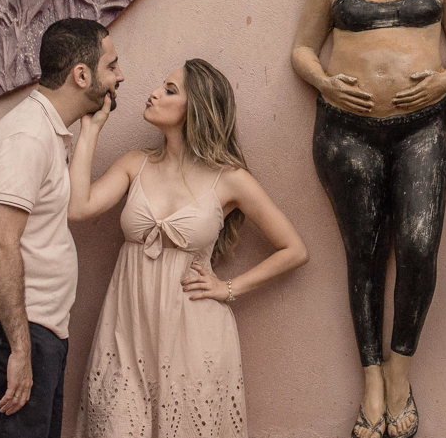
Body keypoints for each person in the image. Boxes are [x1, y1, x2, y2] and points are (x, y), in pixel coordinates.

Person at [291, 0, 446, 438]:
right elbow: (302, 47)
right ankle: (372, 379)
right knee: (365, 252)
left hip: (421, 128)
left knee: (419, 245)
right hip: (347, 131)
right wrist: (324, 83)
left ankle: (402, 369)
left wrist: (444, 79)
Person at [69, 59, 308, 437]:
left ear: (195, 108)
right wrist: (90, 131)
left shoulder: (230, 179)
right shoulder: (136, 163)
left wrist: (228, 289)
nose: (154, 93)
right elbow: (78, 206)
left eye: (169, 89)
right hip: (127, 332)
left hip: (195, 339)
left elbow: (293, 250)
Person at [0, 18, 125, 438]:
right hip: (9, 334)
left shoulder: (47, 132)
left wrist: (92, 130)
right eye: (112, 66)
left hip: (29, 332)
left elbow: (73, 208)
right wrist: (20, 348)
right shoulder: (27, 137)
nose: (120, 76)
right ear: (81, 75)